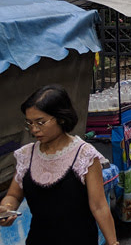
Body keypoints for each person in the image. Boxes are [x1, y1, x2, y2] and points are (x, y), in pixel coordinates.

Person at [1, 85, 118, 244]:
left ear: (61, 118)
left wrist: (113, 242)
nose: (34, 129)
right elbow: (13, 195)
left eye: (40, 122)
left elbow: (99, 206)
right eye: (29, 123)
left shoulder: (83, 155)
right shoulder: (27, 155)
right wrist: (7, 208)